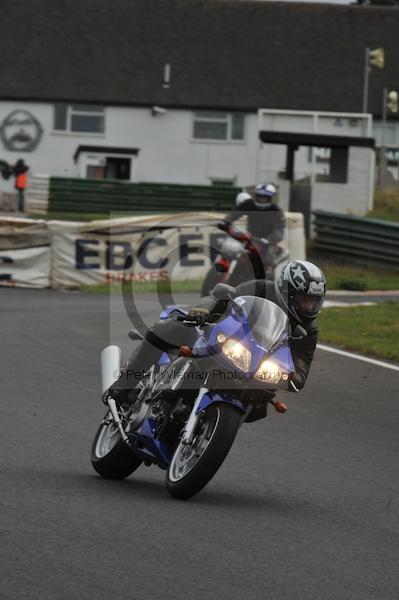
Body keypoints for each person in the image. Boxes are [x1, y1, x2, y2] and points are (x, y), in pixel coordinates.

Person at [107, 260, 326, 412]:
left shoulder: (309, 329)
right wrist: (204, 309)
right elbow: (220, 295)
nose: (308, 306)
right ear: (286, 290)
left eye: (313, 302)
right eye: (303, 300)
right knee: (170, 327)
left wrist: (287, 377)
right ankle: (123, 385)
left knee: (261, 403)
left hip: (254, 365)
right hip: (224, 339)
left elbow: (300, 370)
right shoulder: (259, 288)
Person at [217, 183, 285, 243]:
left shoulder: (277, 211)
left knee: (263, 256)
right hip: (250, 238)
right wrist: (226, 222)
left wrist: (268, 239)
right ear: (256, 196)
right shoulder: (249, 203)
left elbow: (279, 229)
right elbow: (236, 212)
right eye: (260, 196)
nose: (262, 199)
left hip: (267, 241)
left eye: (265, 198)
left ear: (270, 198)